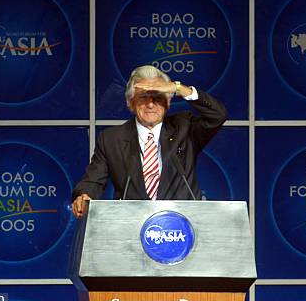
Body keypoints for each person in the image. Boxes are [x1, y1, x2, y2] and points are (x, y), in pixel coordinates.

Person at [71, 65, 227, 219]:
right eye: (143, 97)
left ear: (168, 102)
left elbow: (218, 115)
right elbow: (93, 181)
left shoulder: (184, 127)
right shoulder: (112, 139)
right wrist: (84, 196)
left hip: (182, 227)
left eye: (158, 97)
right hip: (131, 228)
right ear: (129, 103)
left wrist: (178, 88)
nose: (151, 104)